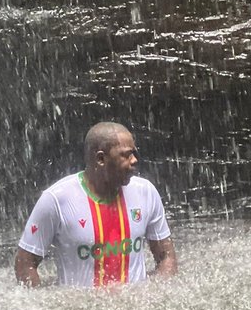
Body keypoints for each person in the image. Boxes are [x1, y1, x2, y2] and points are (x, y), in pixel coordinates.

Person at [14, 122, 178, 288]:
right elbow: (25, 263)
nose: (135, 160)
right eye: (126, 155)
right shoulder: (56, 199)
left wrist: (155, 295)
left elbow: (166, 257)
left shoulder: (146, 192)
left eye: (134, 153)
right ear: (101, 159)